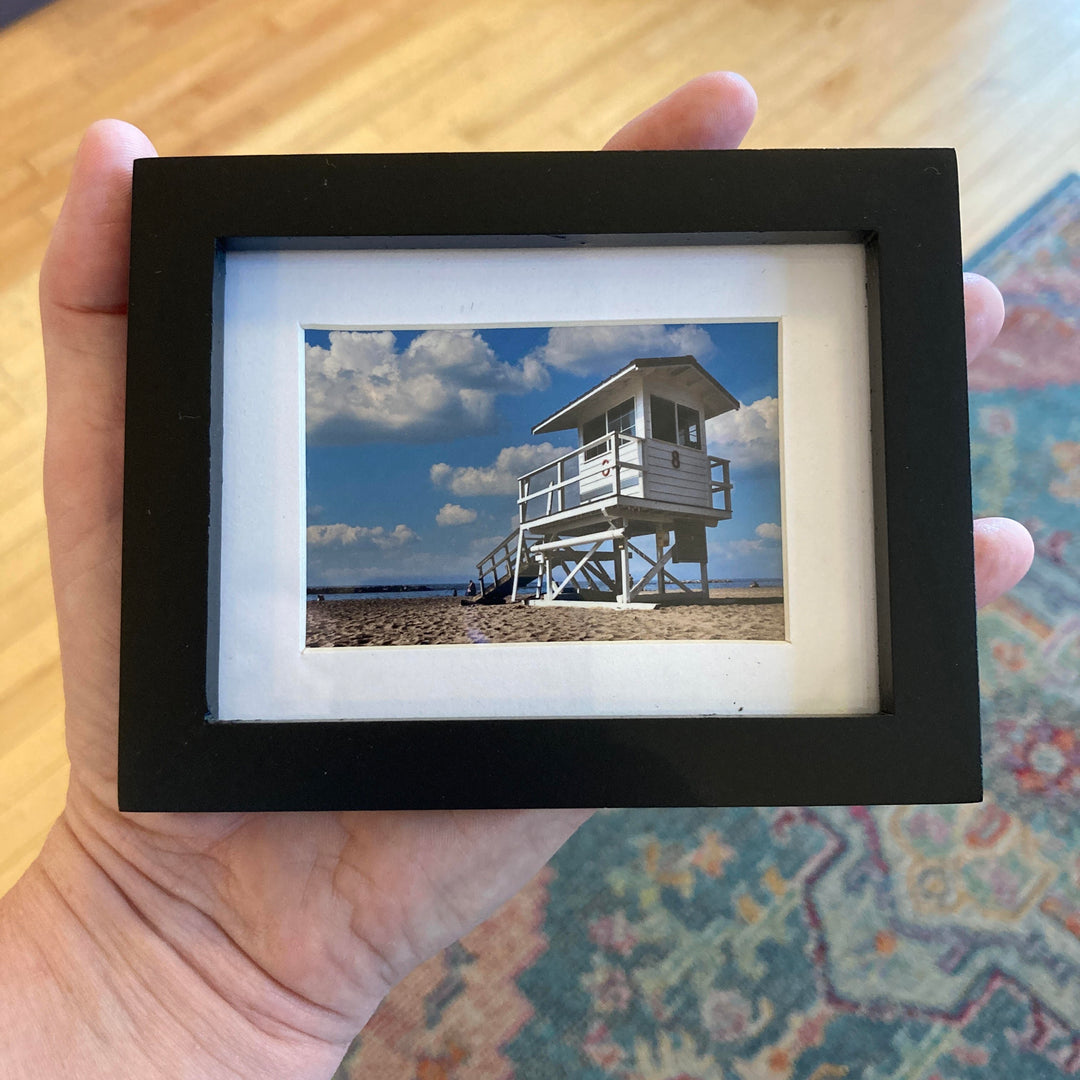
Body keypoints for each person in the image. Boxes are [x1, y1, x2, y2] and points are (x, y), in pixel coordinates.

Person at [0, 72, 1033, 1078]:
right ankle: (624, 590)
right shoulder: (595, 485)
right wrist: (138, 942)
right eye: (617, 435)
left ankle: (630, 592)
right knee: (607, 566)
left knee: (624, 566)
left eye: (644, 430)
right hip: (187, 961)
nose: (639, 439)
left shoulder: (647, 474)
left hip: (588, 528)